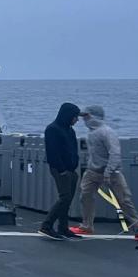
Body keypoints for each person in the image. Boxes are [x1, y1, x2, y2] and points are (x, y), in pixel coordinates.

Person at [71, 105, 138, 241]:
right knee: (85, 196)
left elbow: (115, 153)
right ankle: (87, 226)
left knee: (124, 200)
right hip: (92, 171)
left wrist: (108, 171)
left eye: (87, 116)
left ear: (95, 116)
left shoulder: (107, 132)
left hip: (112, 172)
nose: (84, 119)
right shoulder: (91, 133)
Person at [39, 102, 81, 240]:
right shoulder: (52, 129)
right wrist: (61, 169)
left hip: (71, 169)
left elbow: (73, 149)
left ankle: (63, 227)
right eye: (75, 116)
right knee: (65, 198)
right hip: (60, 169)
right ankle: (46, 225)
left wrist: (74, 165)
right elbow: (52, 152)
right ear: (68, 116)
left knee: (68, 200)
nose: (77, 119)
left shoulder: (70, 131)